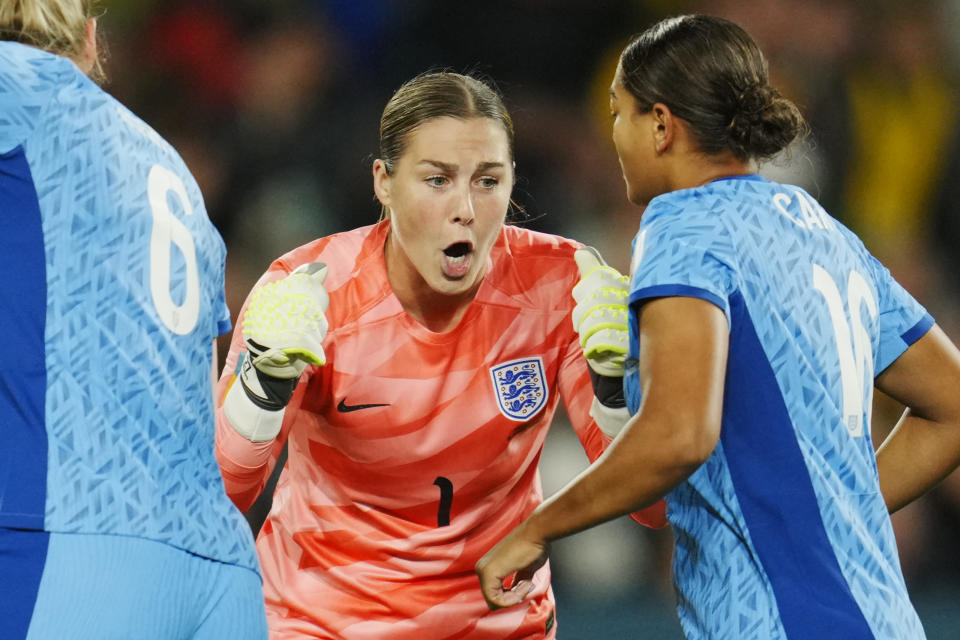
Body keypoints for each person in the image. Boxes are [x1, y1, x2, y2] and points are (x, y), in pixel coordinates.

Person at [475, 14, 960, 640]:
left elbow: (680, 433)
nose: (612, 133)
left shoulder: (684, 224)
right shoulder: (821, 228)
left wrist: (534, 530)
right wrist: (833, 517)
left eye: (617, 112)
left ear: (661, 125)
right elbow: (952, 404)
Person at [214, 70, 667, 639]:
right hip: (320, 623)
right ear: (384, 181)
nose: (466, 209)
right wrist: (260, 395)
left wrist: (619, 395)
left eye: (488, 180)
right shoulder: (307, 290)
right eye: (437, 180)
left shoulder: (562, 284)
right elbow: (224, 497)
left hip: (501, 625)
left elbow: (652, 508)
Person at [0, 2, 267, 639]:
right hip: (218, 574)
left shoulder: (16, 89)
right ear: (92, 43)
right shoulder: (172, 169)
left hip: (72, 552)